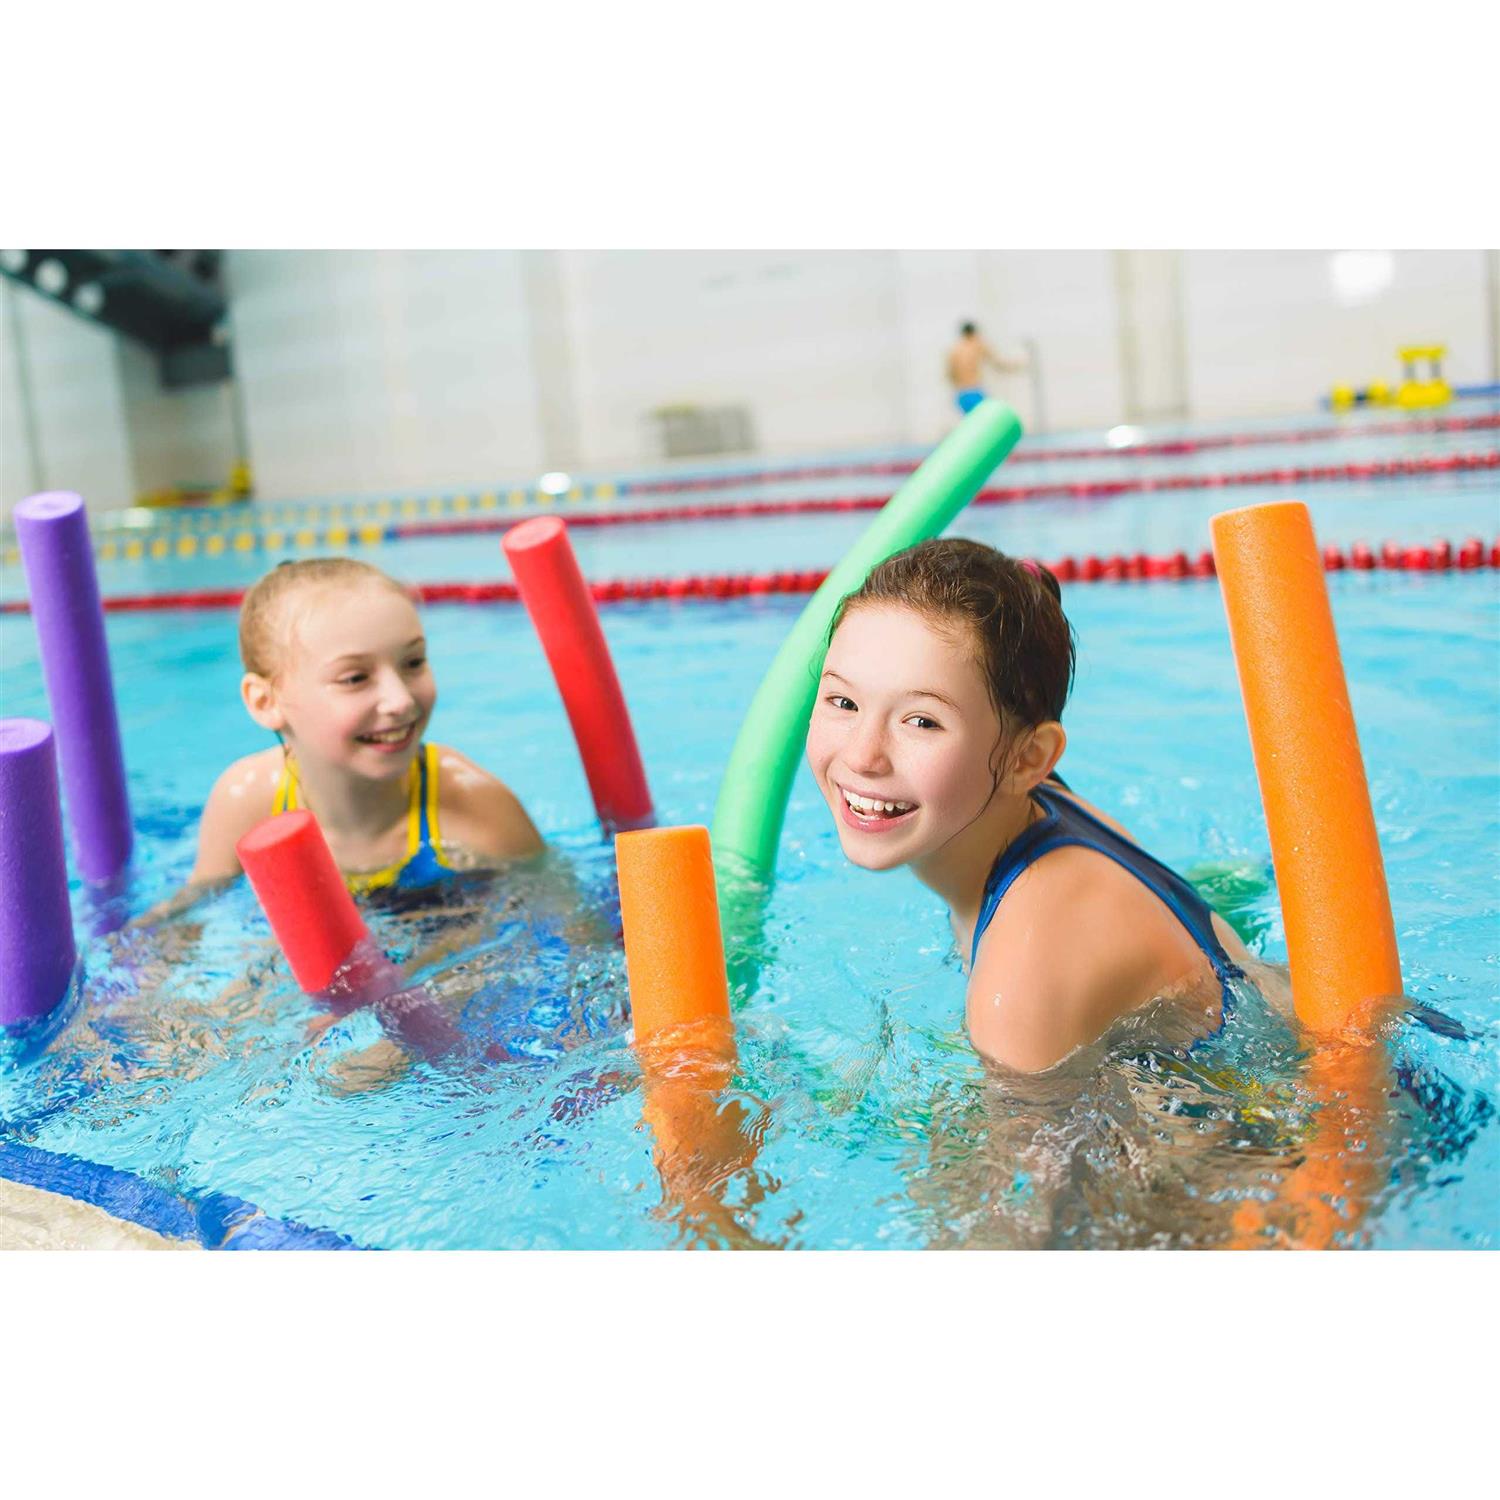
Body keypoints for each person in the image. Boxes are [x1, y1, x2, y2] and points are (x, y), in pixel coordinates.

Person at [806, 538, 1272, 1074]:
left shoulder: (1020, 980)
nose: (863, 756)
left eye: (922, 721)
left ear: (1030, 758)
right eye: (844, 702)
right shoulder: (1040, 806)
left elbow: (1020, 1159)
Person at [190, 557, 543, 890]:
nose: (401, 699)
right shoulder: (246, 801)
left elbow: (567, 927)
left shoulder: (479, 809)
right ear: (265, 701)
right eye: (355, 678)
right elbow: (193, 912)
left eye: (414, 662)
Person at [946, 321, 1026, 415]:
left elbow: (950, 375)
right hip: (975, 392)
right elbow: (998, 364)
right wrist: (1017, 365)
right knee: (989, 420)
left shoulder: (954, 351)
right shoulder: (977, 345)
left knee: (973, 423)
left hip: (960, 396)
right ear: (974, 333)